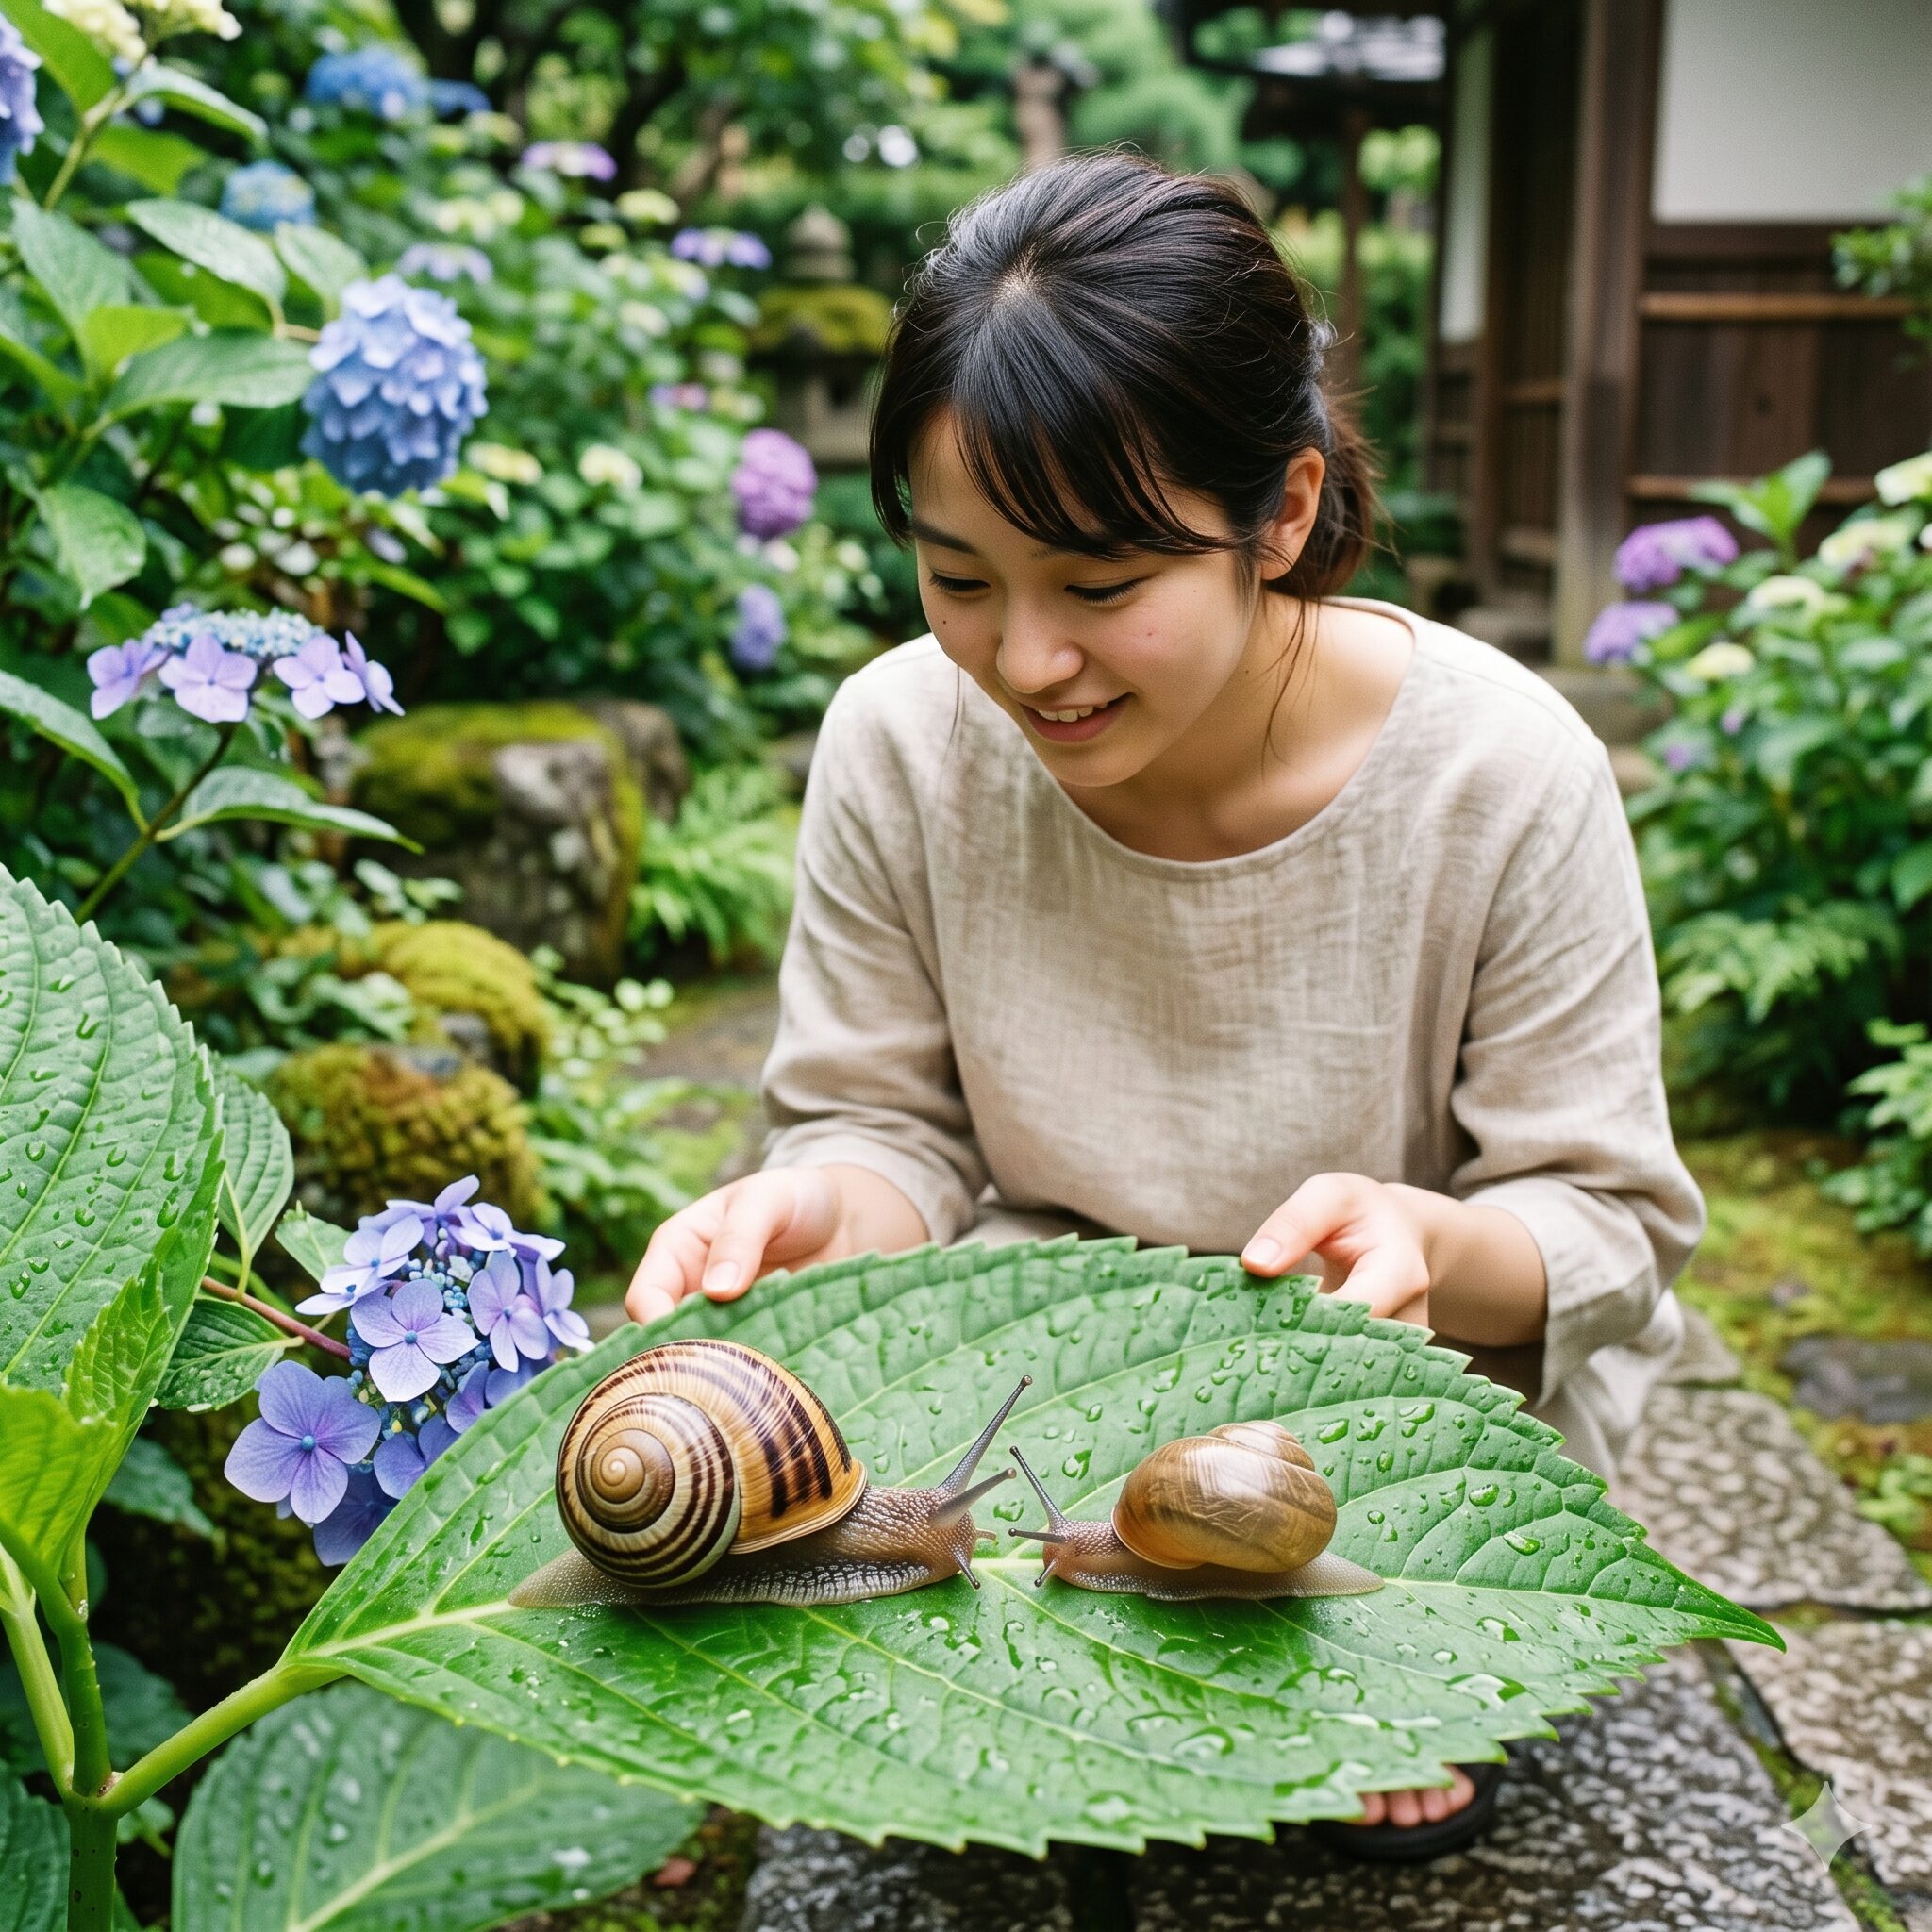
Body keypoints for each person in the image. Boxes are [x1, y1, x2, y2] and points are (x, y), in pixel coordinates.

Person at [625, 148, 1705, 1860]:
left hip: (1388, 1385)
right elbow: (885, 1124)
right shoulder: (900, 738)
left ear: (1280, 513)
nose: (1025, 660)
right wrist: (811, 1199)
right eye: (959, 576)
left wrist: (1434, 1236)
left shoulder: (1501, 771)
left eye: (1104, 587)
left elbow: (1607, 1224)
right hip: (1042, 1351)